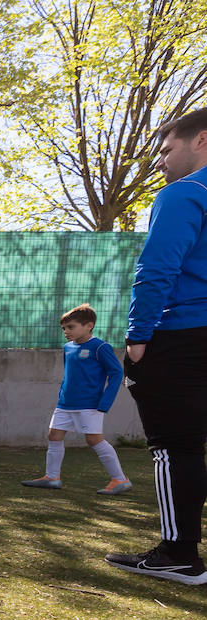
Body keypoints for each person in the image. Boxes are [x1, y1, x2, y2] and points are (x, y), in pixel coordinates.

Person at [106, 108, 207, 584]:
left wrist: (138, 337)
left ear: (200, 141)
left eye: (167, 150)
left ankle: (178, 553)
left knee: (174, 445)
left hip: (182, 334)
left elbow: (156, 270)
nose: (161, 162)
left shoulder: (185, 194)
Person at [20, 304, 130, 495]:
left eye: (71, 327)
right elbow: (68, 375)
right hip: (65, 404)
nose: (66, 331)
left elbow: (116, 373)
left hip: (90, 404)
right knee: (54, 436)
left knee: (94, 440)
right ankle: (52, 477)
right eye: (64, 328)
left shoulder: (100, 347)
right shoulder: (68, 348)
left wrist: (105, 402)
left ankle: (120, 479)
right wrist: (61, 395)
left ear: (89, 325)